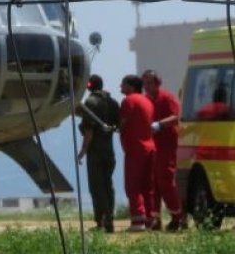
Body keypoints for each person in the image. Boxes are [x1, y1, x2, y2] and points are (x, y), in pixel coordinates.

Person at [77, 74, 120, 233]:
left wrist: (82, 151)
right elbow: (118, 126)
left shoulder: (91, 103)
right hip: (109, 151)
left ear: (89, 86)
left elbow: (89, 131)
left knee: (97, 187)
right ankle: (110, 218)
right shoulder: (113, 102)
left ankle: (103, 220)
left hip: (95, 152)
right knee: (108, 185)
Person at [142, 69, 183, 232]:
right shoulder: (146, 100)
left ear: (157, 83)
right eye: (144, 83)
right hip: (152, 145)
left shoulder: (166, 98)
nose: (146, 86)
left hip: (167, 145)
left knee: (165, 180)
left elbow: (175, 117)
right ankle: (155, 219)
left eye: (149, 82)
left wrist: (159, 124)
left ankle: (178, 217)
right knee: (153, 184)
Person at [118, 74, 156, 232]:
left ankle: (138, 221)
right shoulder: (147, 101)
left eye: (123, 84)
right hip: (150, 147)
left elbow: (123, 122)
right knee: (147, 186)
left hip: (135, 149)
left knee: (133, 186)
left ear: (131, 86)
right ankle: (149, 219)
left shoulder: (128, 101)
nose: (120, 87)